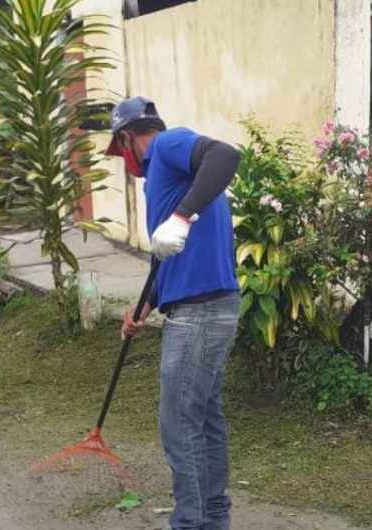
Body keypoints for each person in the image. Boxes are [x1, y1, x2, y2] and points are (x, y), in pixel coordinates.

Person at [106, 97, 241, 530]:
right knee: (203, 416)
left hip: (200, 313)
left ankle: (190, 523)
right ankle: (213, 518)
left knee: (179, 421)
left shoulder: (167, 147)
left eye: (120, 151)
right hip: (211, 305)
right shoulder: (164, 182)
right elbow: (167, 259)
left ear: (127, 138)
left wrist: (181, 217)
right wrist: (143, 306)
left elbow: (225, 154)